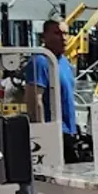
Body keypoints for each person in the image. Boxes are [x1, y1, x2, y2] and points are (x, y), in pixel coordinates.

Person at [25, 21, 82, 163]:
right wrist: (43, 137)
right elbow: (34, 102)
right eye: (57, 33)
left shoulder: (64, 62)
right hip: (54, 134)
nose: (63, 38)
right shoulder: (40, 61)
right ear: (44, 36)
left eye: (65, 33)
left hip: (69, 133)